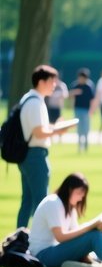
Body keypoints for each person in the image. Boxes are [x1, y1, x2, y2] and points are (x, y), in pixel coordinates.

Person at [16, 65, 76, 227]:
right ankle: (40, 238)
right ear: (41, 82)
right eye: (52, 81)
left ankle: (19, 236)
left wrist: (55, 127)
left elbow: (39, 128)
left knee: (27, 201)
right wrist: (58, 130)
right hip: (35, 155)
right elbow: (39, 132)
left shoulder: (30, 99)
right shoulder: (35, 102)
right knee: (41, 201)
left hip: (29, 154)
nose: (54, 85)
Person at [29, 173, 102, 267]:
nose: (81, 198)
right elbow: (60, 237)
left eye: (83, 195)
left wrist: (92, 227)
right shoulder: (53, 202)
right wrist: (89, 227)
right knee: (94, 236)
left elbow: (76, 236)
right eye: (79, 193)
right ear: (69, 189)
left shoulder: (69, 207)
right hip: (42, 255)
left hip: (56, 250)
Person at [69, 68, 94, 152]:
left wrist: (91, 110)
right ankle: (80, 146)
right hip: (77, 109)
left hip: (86, 110)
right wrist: (74, 92)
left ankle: (86, 145)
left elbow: (92, 99)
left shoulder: (89, 87)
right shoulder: (75, 86)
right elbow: (69, 96)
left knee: (86, 127)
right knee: (79, 128)